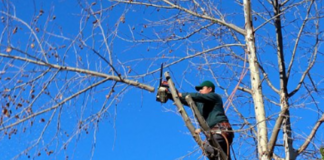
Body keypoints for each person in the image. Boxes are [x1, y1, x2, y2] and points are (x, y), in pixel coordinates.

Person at [174, 80, 234, 160]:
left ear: (210, 89)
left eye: (202, 88)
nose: (200, 91)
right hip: (214, 133)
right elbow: (186, 100)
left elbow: (197, 96)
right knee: (220, 157)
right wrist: (172, 95)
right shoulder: (200, 104)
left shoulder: (214, 97)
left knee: (208, 148)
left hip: (221, 131)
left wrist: (182, 94)